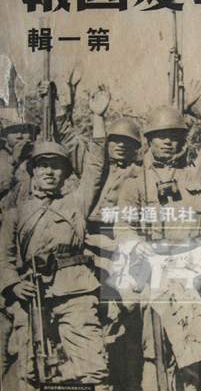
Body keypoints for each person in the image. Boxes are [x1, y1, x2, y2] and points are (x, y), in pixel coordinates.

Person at [113, 71, 201, 391]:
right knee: (154, 352)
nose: (168, 141)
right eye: (161, 136)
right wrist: (138, 246)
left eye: (175, 136)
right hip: (154, 275)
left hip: (189, 274)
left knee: (191, 353)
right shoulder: (136, 184)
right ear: (149, 140)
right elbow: (123, 226)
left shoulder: (194, 175)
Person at [0, 88, 110, 390]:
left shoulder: (76, 203)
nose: (49, 171)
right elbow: (3, 260)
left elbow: (96, 168)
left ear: (64, 173)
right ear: (33, 171)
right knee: (31, 373)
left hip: (76, 291)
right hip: (31, 296)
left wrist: (98, 118)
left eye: (56, 166)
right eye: (43, 165)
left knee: (94, 368)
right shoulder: (15, 214)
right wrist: (13, 284)